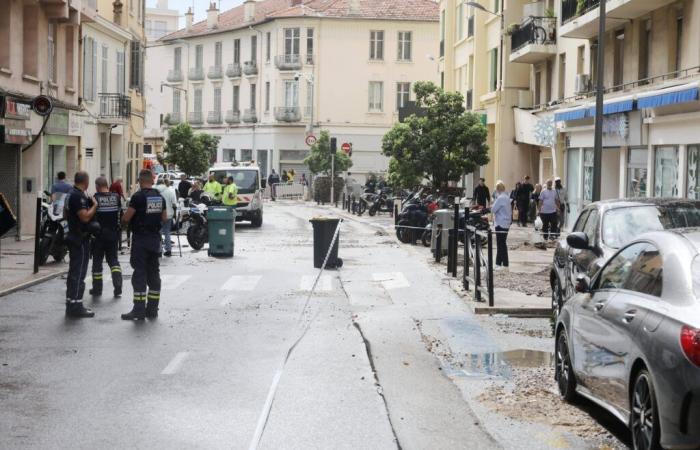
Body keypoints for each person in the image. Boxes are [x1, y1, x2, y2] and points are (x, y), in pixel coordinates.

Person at [121, 169, 166, 320]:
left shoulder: (138, 197)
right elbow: (164, 218)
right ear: (152, 180)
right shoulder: (159, 197)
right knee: (154, 274)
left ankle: (139, 310)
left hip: (141, 240)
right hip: (155, 240)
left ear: (140, 181)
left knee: (139, 274)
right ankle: (152, 309)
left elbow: (127, 217)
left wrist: (123, 221)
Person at [64, 171, 98, 318]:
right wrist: (95, 205)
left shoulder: (70, 194)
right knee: (79, 273)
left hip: (73, 235)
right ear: (86, 181)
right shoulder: (79, 196)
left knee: (73, 272)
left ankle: (71, 302)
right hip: (80, 238)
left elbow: (66, 214)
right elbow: (84, 217)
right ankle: (76, 305)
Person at [89, 176, 123, 298]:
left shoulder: (95, 198)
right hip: (113, 235)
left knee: (97, 262)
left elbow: (90, 215)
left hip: (99, 235)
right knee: (113, 261)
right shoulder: (116, 197)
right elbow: (120, 213)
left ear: (97, 186)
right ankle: (118, 285)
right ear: (107, 185)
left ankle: (97, 289)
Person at [491, 182, 512, 270]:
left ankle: (505, 264)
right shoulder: (507, 197)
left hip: (500, 223)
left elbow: (493, 209)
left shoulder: (500, 198)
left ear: (498, 189)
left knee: (501, 244)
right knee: (501, 243)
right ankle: (498, 263)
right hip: (506, 223)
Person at [157, 179, 178, 257]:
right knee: (167, 232)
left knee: (158, 232)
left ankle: (159, 251)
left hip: (158, 215)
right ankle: (168, 250)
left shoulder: (155, 191)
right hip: (169, 215)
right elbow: (174, 204)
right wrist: (175, 215)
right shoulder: (170, 191)